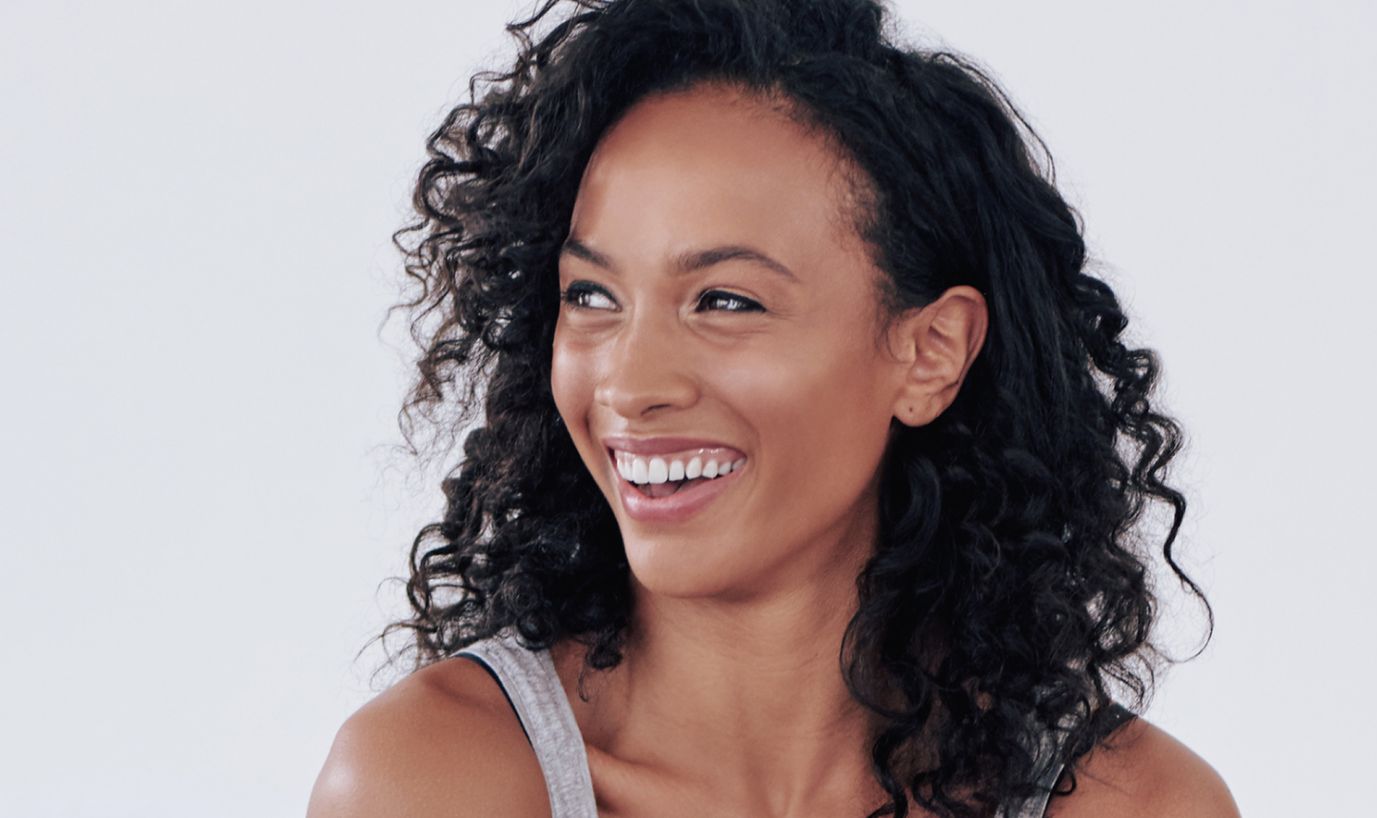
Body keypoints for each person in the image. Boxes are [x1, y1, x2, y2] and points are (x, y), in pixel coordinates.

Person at [309, 1, 1239, 815]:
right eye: (592, 296)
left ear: (930, 352)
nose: (632, 384)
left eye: (725, 302)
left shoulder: (1136, 807)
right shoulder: (437, 783)